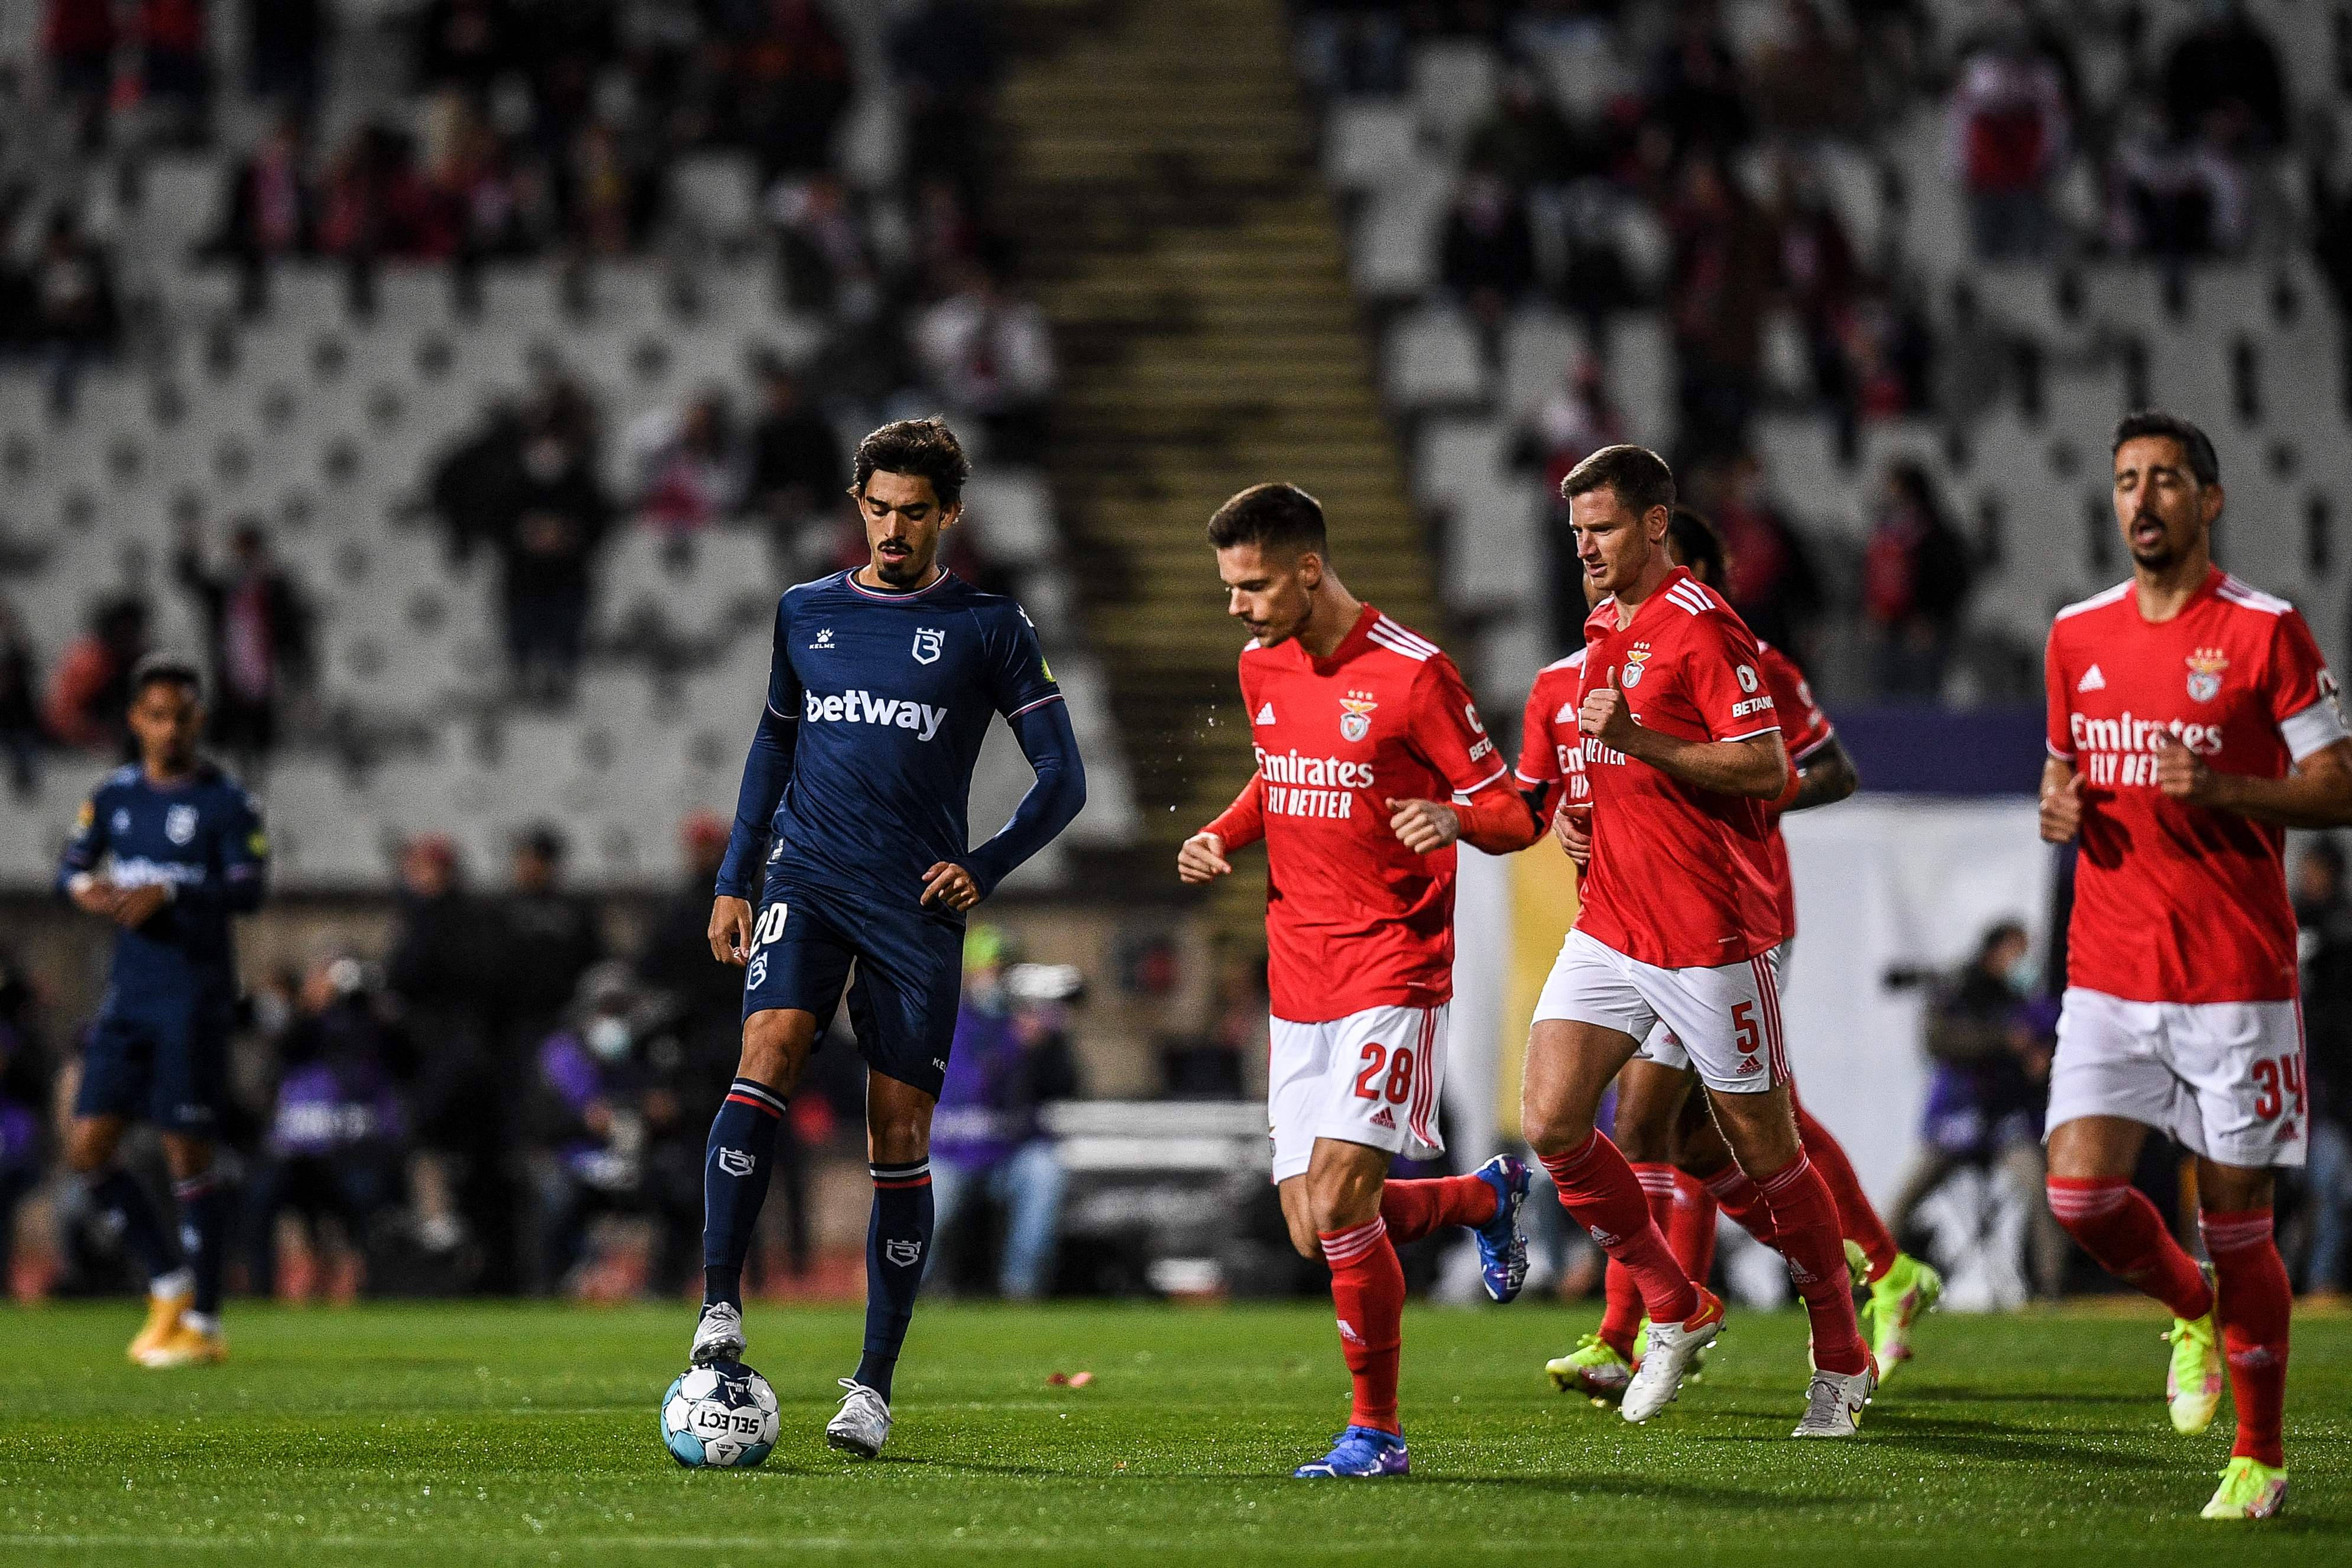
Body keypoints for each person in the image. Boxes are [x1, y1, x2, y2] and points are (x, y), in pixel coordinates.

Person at [689, 417, 1086, 1461]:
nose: (893, 529)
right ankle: (719, 1309)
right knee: (766, 1048)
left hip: (915, 904)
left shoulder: (989, 625)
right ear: (856, 505)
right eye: (878, 507)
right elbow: (774, 740)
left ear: (948, 515)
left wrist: (985, 864)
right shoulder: (805, 612)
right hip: (808, 877)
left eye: (915, 511)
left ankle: (871, 1384)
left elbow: (1064, 779)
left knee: (897, 1136)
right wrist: (736, 877)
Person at [1532, 506, 1941, 1402]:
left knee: (1700, 1126)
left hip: (1733, 916)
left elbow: (1817, 770)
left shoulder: (1741, 654)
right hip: (1628, 920)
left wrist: (1714, 797)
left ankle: (1666, 1321)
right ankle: (1843, 1275)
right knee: (1670, 1128)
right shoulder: (1601, 649)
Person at [1175, 480, 1534, 1479]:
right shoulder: (1260, 666)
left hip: (1393, 964)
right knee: (1310, 1225)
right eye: (1228, 588)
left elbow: (1513, 812)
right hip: (1298, 978)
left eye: (1249, 586)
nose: (1236, 607)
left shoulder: (1416, 677)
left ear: (1305, 568)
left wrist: (1456, 819)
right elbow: (1276, 773)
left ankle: (1375, 1431)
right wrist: (1221, 833)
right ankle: (1478, 1197)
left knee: (1337, 1199)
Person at [2038, 409, 2352, 1521]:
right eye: (2126, 479)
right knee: (2076, 1191)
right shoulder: (2075, 633)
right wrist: (2055, 802)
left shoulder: (2266, 631)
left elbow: (2340, 785)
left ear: (2207, 502)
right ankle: (2187, 1310)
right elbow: (2061, 772)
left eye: (2165, 479)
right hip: (2108, 970)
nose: (2141, 499)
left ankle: (2260, 1457)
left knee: (2238, 1223)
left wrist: (2227, 789)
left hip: (2232, 977)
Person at [54, 655, 268, 1366]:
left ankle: (205, 1323)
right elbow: (73, 866)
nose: (169, 728)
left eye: (182, 716)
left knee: (187, 1153)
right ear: (136, 721)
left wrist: (174, 895)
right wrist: (86, 890)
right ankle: (169, 1283)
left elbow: (248, 891)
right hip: (128, 999)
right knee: (88, 1149)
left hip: (193, 1000)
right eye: (157, 715)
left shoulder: (226, 803)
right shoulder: (114, 798)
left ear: (198, 721)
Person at [1886, 921, 2059, 1298]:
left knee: (2042, 1190)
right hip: (1956, 1122)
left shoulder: (2027, 1002)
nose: (2023, 962)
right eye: (2015, 952)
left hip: (2008, 1124)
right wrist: (2007, 1042)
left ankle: (2050, 1291)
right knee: (1902, 1201)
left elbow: (2049, 1035)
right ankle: (1880, 1282)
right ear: (1992, 953)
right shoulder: (1959, 994)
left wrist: (2036, 1050)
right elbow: (1941, 1039)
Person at [245, 954, 409, 1301]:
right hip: (300, 1152)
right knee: (262, 1199)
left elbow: (392, 1044)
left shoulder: (371, 1029)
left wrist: (364, 1001)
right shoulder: (304, 1029)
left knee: (363, 1207)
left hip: (356, 1150)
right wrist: (309, 1004)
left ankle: (357, 1279)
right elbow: (286, 1043)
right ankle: (267, 1287)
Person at [929, 931, 1081, 1298]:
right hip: (954, 1151)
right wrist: (1016, 1045)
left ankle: (1021, 1290)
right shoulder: (950, 1021)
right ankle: (904, 1288)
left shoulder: (1032, 1024)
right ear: (972, 974)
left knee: (1045, 1172)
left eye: (1005, 973)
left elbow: (1067, 1086)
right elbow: (969, 1086)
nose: (998, 982)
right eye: (992, 972)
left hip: (1009, 1154)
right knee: (927, 1205)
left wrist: (1048, 1046)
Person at [173, 520, 314, 772]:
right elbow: (189, 579)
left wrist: (298, 678)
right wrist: (190, 547)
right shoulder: (224, 592)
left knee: (263, 752)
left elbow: (293, 637)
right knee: (222, 750)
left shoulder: (275, 592)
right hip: (229, 685)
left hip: (264, 685)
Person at [2293, 841, 2352, 1295]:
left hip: (2324, 1094)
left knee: (2333, 1180)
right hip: (2275, 1078)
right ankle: (2234, 1286)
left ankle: (2322, 1283)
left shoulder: (2343, 927)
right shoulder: (2286, 914)